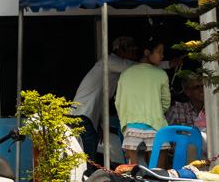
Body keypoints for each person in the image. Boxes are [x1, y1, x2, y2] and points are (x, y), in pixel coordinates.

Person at [68, 36, 140, 162]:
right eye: (132, 52)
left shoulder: (114, 73)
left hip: (85, 118)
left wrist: (99, 125)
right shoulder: (109, 61)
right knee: (87, 164)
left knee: (84, 162)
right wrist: (166, 64)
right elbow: (138, 67)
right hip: (81, 117)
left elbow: (102, 101)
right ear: (120, 51)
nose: (134, 55)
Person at [115, 36, 171, 165]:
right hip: (156, 129)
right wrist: (154, 112)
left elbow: (118, 103)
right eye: (159, 51)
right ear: (147, 52)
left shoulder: (125, 74)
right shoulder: (161, 74)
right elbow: (166, 103)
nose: (162, 56)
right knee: (158, 174)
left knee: (136, 175)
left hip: (132, 130)